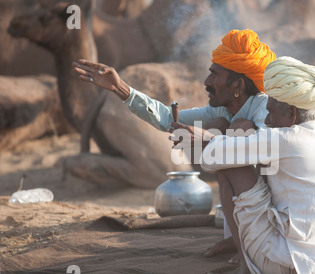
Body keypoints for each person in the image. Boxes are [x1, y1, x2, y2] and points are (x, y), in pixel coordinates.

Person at [72, 29, 276, 262]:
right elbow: (166, 119)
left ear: (238, 85)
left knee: (238, 130)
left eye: (214, 75)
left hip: (276, 208)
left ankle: (250, 246)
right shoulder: (222, 109)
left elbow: (265, 151)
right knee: (221, 127)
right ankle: (238, 237)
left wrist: (207, 138)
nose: (207, 82)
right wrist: (121, 88)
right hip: (251, 201)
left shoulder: (263, 107)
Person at [199, 56, 315, 274]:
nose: (266, 120)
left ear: (292, 114)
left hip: (291, 267)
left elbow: (210, 159)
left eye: (271, 111)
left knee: (231, 157)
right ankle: (245, 257)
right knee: (243, 147)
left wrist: (206, 137)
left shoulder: (284, 139)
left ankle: (247, 270)